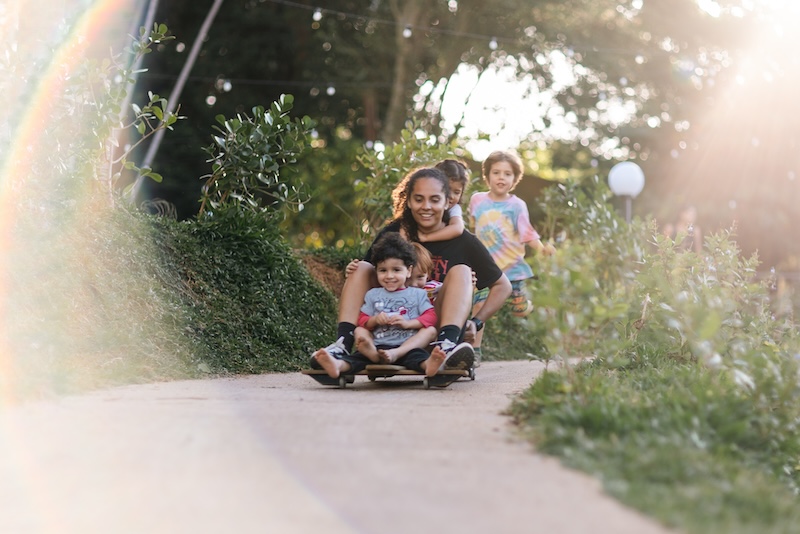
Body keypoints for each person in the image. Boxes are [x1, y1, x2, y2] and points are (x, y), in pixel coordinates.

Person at [311, 166, 512, 378]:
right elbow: (371, 273)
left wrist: (476, 322)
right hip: (390, 329)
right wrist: (357, 269)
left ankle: (446, 346)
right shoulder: (395, 233)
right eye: (419, 199)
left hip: (432, 330)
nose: (426, 207)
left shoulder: (464, 241)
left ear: (447, 202)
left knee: (462, 271)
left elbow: (503, 286)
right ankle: (342, 344)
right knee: (361, 267)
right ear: (408, 201)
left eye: (434, 200)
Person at [468, 150, 555, 364]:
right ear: (487, 176)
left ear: (515, 179)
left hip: (513, 269)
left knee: (519, 310)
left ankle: (533, 307)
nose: (501, 177)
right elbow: (472, 230)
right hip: (486, 269)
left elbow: (527, 233)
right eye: (496, 172)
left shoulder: (516, 205)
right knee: (479, 307)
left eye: (507, 174)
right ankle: (474, 352)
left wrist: (542, 249)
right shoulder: (477, 200)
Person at [350, 232, 438, 365]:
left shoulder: (418, 294)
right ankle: (370, 357)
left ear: (408, 271)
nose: (389, 276)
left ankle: (427, 364)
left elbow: (431, 317)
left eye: (396, 270)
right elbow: (362, 319)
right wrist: (375, 320)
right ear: (376, 271)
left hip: (409, 346)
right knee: (359, 331)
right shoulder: (373, 294)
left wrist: (409, 323)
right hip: (379, 345)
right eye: (383, 270)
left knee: (430, 332)